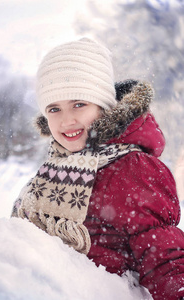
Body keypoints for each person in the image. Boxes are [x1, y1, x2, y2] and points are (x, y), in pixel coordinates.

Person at [11, 38, 184, 299]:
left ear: (103, 106)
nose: (67, 120)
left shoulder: (134, 169)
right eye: (54, 108)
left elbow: (161, 250)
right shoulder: (62, 163)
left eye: (79, 104)